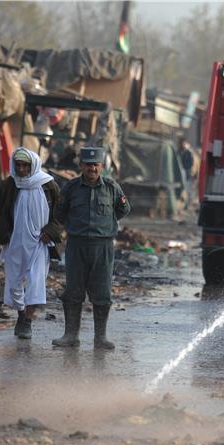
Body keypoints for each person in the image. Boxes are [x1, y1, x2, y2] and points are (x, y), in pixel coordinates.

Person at [52, 147, 131, 349]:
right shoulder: (70, 188)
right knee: (73, 291)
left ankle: (100, 338)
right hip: (76, 245)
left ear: (102, 166)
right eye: (88, 164)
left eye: (96, 164)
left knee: (102, 292)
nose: (92, 168)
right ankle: (70, 336)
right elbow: (59, 213)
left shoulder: (112, 188)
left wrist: (104, 226)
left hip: (102, 247)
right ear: (81, 166)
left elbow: (123, 209)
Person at [0, 147, 62, 339]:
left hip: (39, 242)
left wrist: (50, 232)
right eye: (18, 165)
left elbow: (60, 214)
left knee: (36, 283)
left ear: (33, 165)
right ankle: (20, 314)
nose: (21, 169)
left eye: (25, 165)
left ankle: (27, 321)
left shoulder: (48, 185)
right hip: (14, 241)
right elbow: (1, 211)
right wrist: (2, 236)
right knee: (13, 284)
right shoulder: (10, 185)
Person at [178, 138, 195, 206]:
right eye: (183, 144)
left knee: (187, 188)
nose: (184, 145)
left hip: (186, 172)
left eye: (185, 144)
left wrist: (185, 168)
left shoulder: (189, 153)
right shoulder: (179, 152)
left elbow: (191, 163)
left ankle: (187, 204)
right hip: (180, 171)